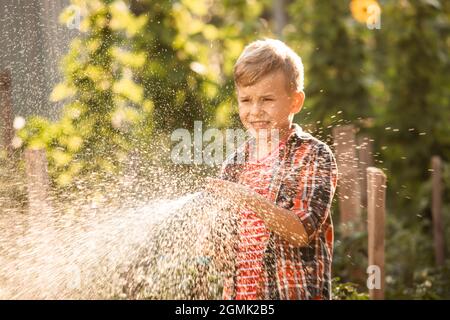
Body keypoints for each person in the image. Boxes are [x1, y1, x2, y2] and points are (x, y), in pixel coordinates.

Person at [205, 38, 338, 300]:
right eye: (246, 100)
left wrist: (246, 197)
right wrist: (210, 238)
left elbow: (300, 232)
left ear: (295, 102)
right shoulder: (235, 163)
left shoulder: (313, 155)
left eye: (267, 99)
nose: (255, 111)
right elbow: (223, 259)